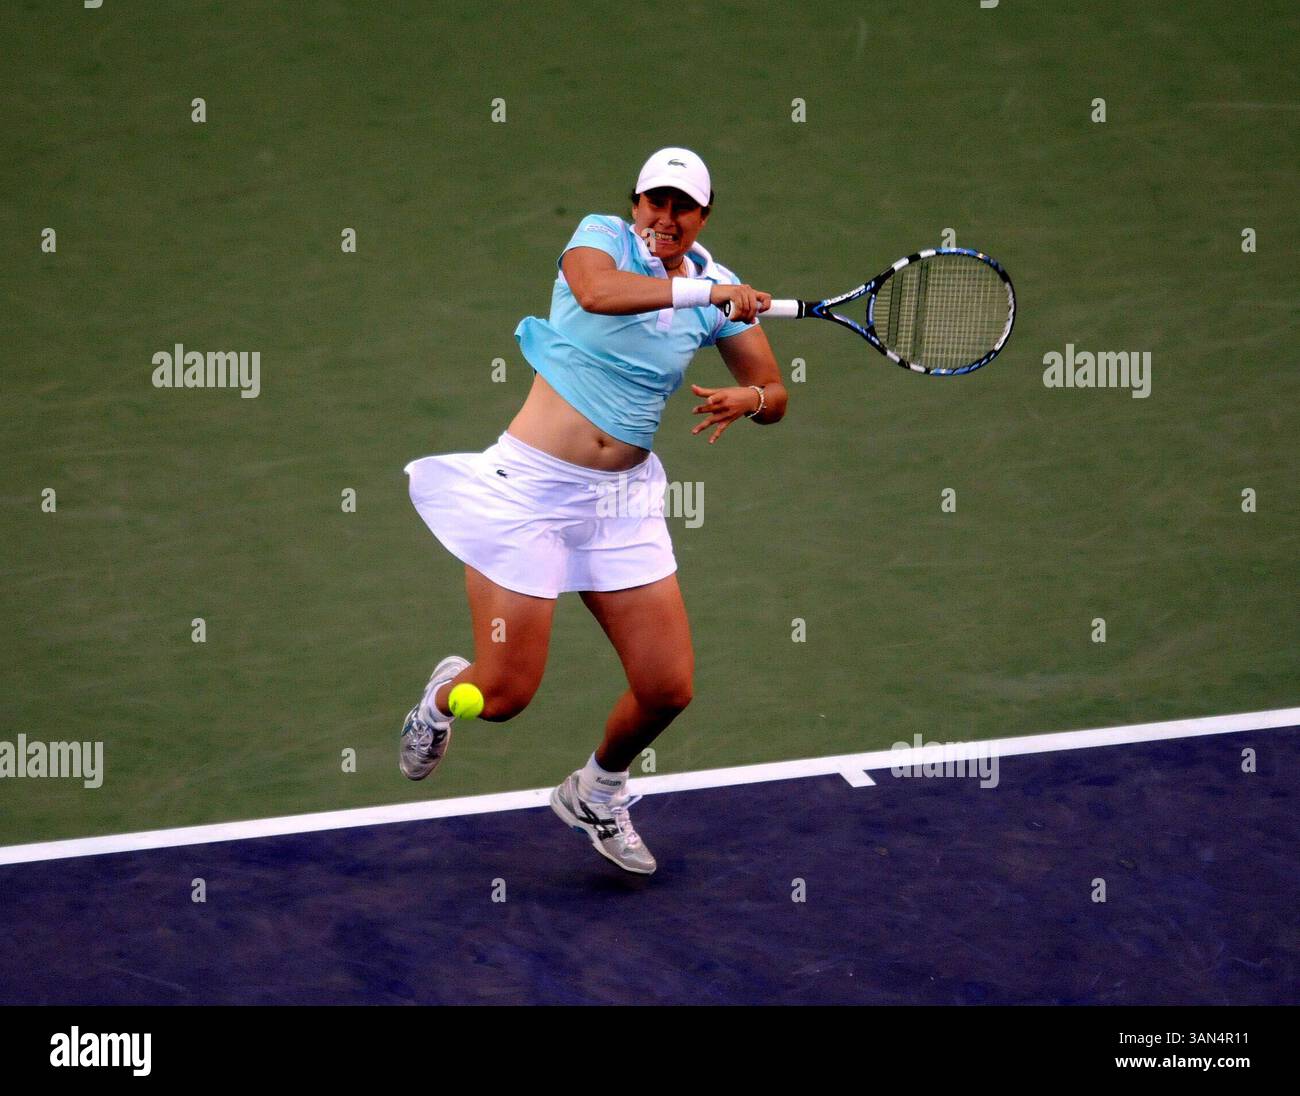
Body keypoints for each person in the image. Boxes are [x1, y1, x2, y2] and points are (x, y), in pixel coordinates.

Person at [401, 147, 787, 874]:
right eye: (654, 202)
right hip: (528, 495)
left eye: (682, 207)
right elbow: (598, 293)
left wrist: (755, 399)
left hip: (621, 505)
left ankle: (596, 793)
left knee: (667, 687)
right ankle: (438, 700)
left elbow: (775, 391)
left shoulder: (719, 284)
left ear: (703, 217)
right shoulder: (601, 241)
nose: (664, 218)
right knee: (505, 694)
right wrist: (706, 300)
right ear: (636, 203)